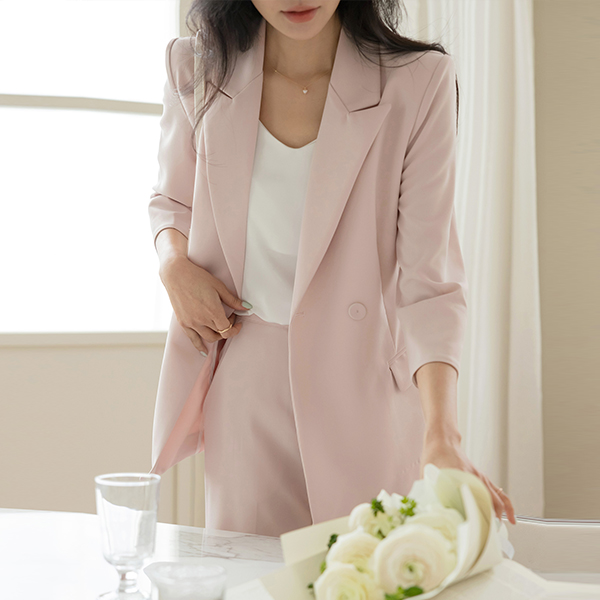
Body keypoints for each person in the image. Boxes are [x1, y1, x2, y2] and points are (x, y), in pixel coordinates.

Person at [149, 0, 517, 537]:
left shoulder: (418, 81)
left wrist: (442, 433)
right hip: (247, 383)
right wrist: (173, 265)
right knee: (252, 574)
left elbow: (429, 280)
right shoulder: (198, 68)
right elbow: (172, 201)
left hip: (364, 387)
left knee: (366, 569)